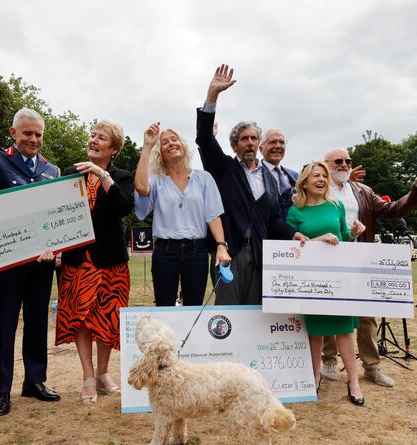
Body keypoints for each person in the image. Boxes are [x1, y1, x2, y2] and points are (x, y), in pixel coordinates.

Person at [0, 100, 62, 416]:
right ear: (13, 132)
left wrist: (57, 245)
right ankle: (2, 390)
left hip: (41, 261)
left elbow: (55, 215)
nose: (33, 140)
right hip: (7, 262)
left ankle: (35, 381)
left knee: (37, 322)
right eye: (27, 133)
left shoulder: (51, 170)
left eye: (38, 135)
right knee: (4, 325)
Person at [320, 147, 417, 388]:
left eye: (348, 161)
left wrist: (415, 191)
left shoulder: (363, 190)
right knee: (328, 310)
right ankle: (328, 360)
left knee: (366, 315)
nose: (344, 164)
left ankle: (371, 366)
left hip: (360, 258)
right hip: (328, 258)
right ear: (325, 164)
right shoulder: (317, 188)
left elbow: (390, 210)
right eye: (338, 161)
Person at [195, 65, 305, 305]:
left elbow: (272, 219)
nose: (250, 142)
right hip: (229, 253)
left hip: (258, 254)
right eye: (244, 139)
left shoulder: (269, 177)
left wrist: (293, 233)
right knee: (228, 313)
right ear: (234, 145)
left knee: (254, 314)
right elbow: (204, 138)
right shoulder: (223, 168)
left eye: (254, 138)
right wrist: (212, 96)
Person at [55, 120, 133, 405]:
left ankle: (103, 373)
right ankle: (88, 376)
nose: (93, 140)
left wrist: (102, 175)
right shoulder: (70, 173)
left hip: (110, 262)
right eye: (92, 135)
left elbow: (124, 207)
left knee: (107, 318)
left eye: (101, 138)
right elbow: (56, 214)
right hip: (77, 261)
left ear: (113, 149)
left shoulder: (121, 176)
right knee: (81, 318)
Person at [286, 162, 366, 405]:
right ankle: (315, 376)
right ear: (304, 183)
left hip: (339, 279)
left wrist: (353, 233)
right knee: (315, 331)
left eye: (323, 176)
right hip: (311, 282)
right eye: (315, 176)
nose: (321, 179)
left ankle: (353, 381)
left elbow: (344, 238)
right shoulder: (295, 212)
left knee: (344, 331)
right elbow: (291, 248)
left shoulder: (336, 206)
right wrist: (317, 240)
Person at [134, 122, 230, 306]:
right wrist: (147, 146)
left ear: (183, 145)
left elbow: (213, 216)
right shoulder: (157, 181)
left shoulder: (204, 178)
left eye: (174, 139)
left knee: (193, 307)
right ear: (160, 152)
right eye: (164, 142)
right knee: (164, 308)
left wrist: (221, 245)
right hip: (165, 251)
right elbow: (141, 188)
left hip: (196, 250)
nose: (171, 143)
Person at [259, 129, 299, 219]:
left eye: (282, 142)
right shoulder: (254, 175)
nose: (278, 146)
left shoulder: (294, 176)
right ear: (261, 149)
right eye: (272, 142)